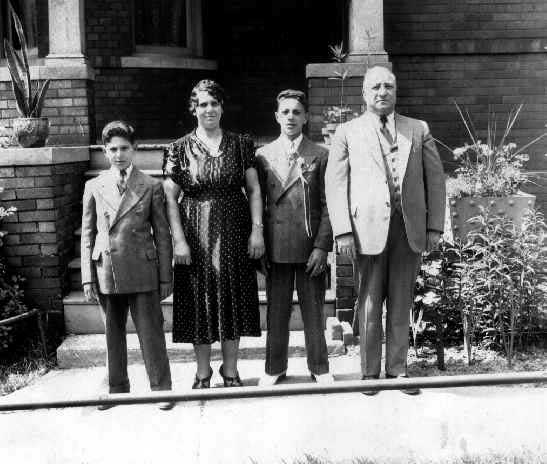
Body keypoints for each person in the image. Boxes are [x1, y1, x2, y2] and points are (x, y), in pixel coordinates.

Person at [325, 66, 445, 395]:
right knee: (368, 300)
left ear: (396, 91)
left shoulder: (418, 129)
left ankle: (398, 370)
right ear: (364, 94)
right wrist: (343, 231)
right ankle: (369, 373)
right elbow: (335, 186)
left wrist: (435, 226)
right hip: (365, 231)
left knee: (402, 300)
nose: (382, 92)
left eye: (388, 86)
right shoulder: (347, 132)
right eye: (375, 87)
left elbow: (435, 180)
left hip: (408, 229)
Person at [163, 79, 265, 388]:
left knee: (232, 296)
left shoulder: (240, 144)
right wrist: (178, 240)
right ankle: (203, 371)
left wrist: (257, 231)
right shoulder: (178, 148)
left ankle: (231, 370)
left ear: (222, 107)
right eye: (203, 104)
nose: (209, 109)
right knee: (200, 301)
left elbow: (254, 188)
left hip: (235, 227)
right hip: (195, 232)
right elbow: (170, 197)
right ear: (193, 109)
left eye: (214, 103)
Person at [81, 120, 174, 410]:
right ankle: (116, 387)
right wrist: (87, 277)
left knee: (151, 333)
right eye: (112, 149)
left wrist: (165, 276)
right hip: (107, 269)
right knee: (112, 334)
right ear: (104, 151)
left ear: (134, 150)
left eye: (124, 148)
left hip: (142, 269)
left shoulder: (150, 185)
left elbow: (162, 233)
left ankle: (161, 389)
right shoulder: (94, 186)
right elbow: (87, 234)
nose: (119, 154)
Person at [255, 89, 334, 386]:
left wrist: (322, 247)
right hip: (276, 245)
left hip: (309, 244)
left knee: (313, 309)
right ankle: (275, 368)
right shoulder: (262, 156)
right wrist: (259, 241)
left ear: (306, 118)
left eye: (296, 112)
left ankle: (320, 367)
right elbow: (257, 203)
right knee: (276, 310)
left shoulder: (321, 154)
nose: (291, 117)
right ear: (277, 116)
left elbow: (329, 206)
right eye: (285, 112)